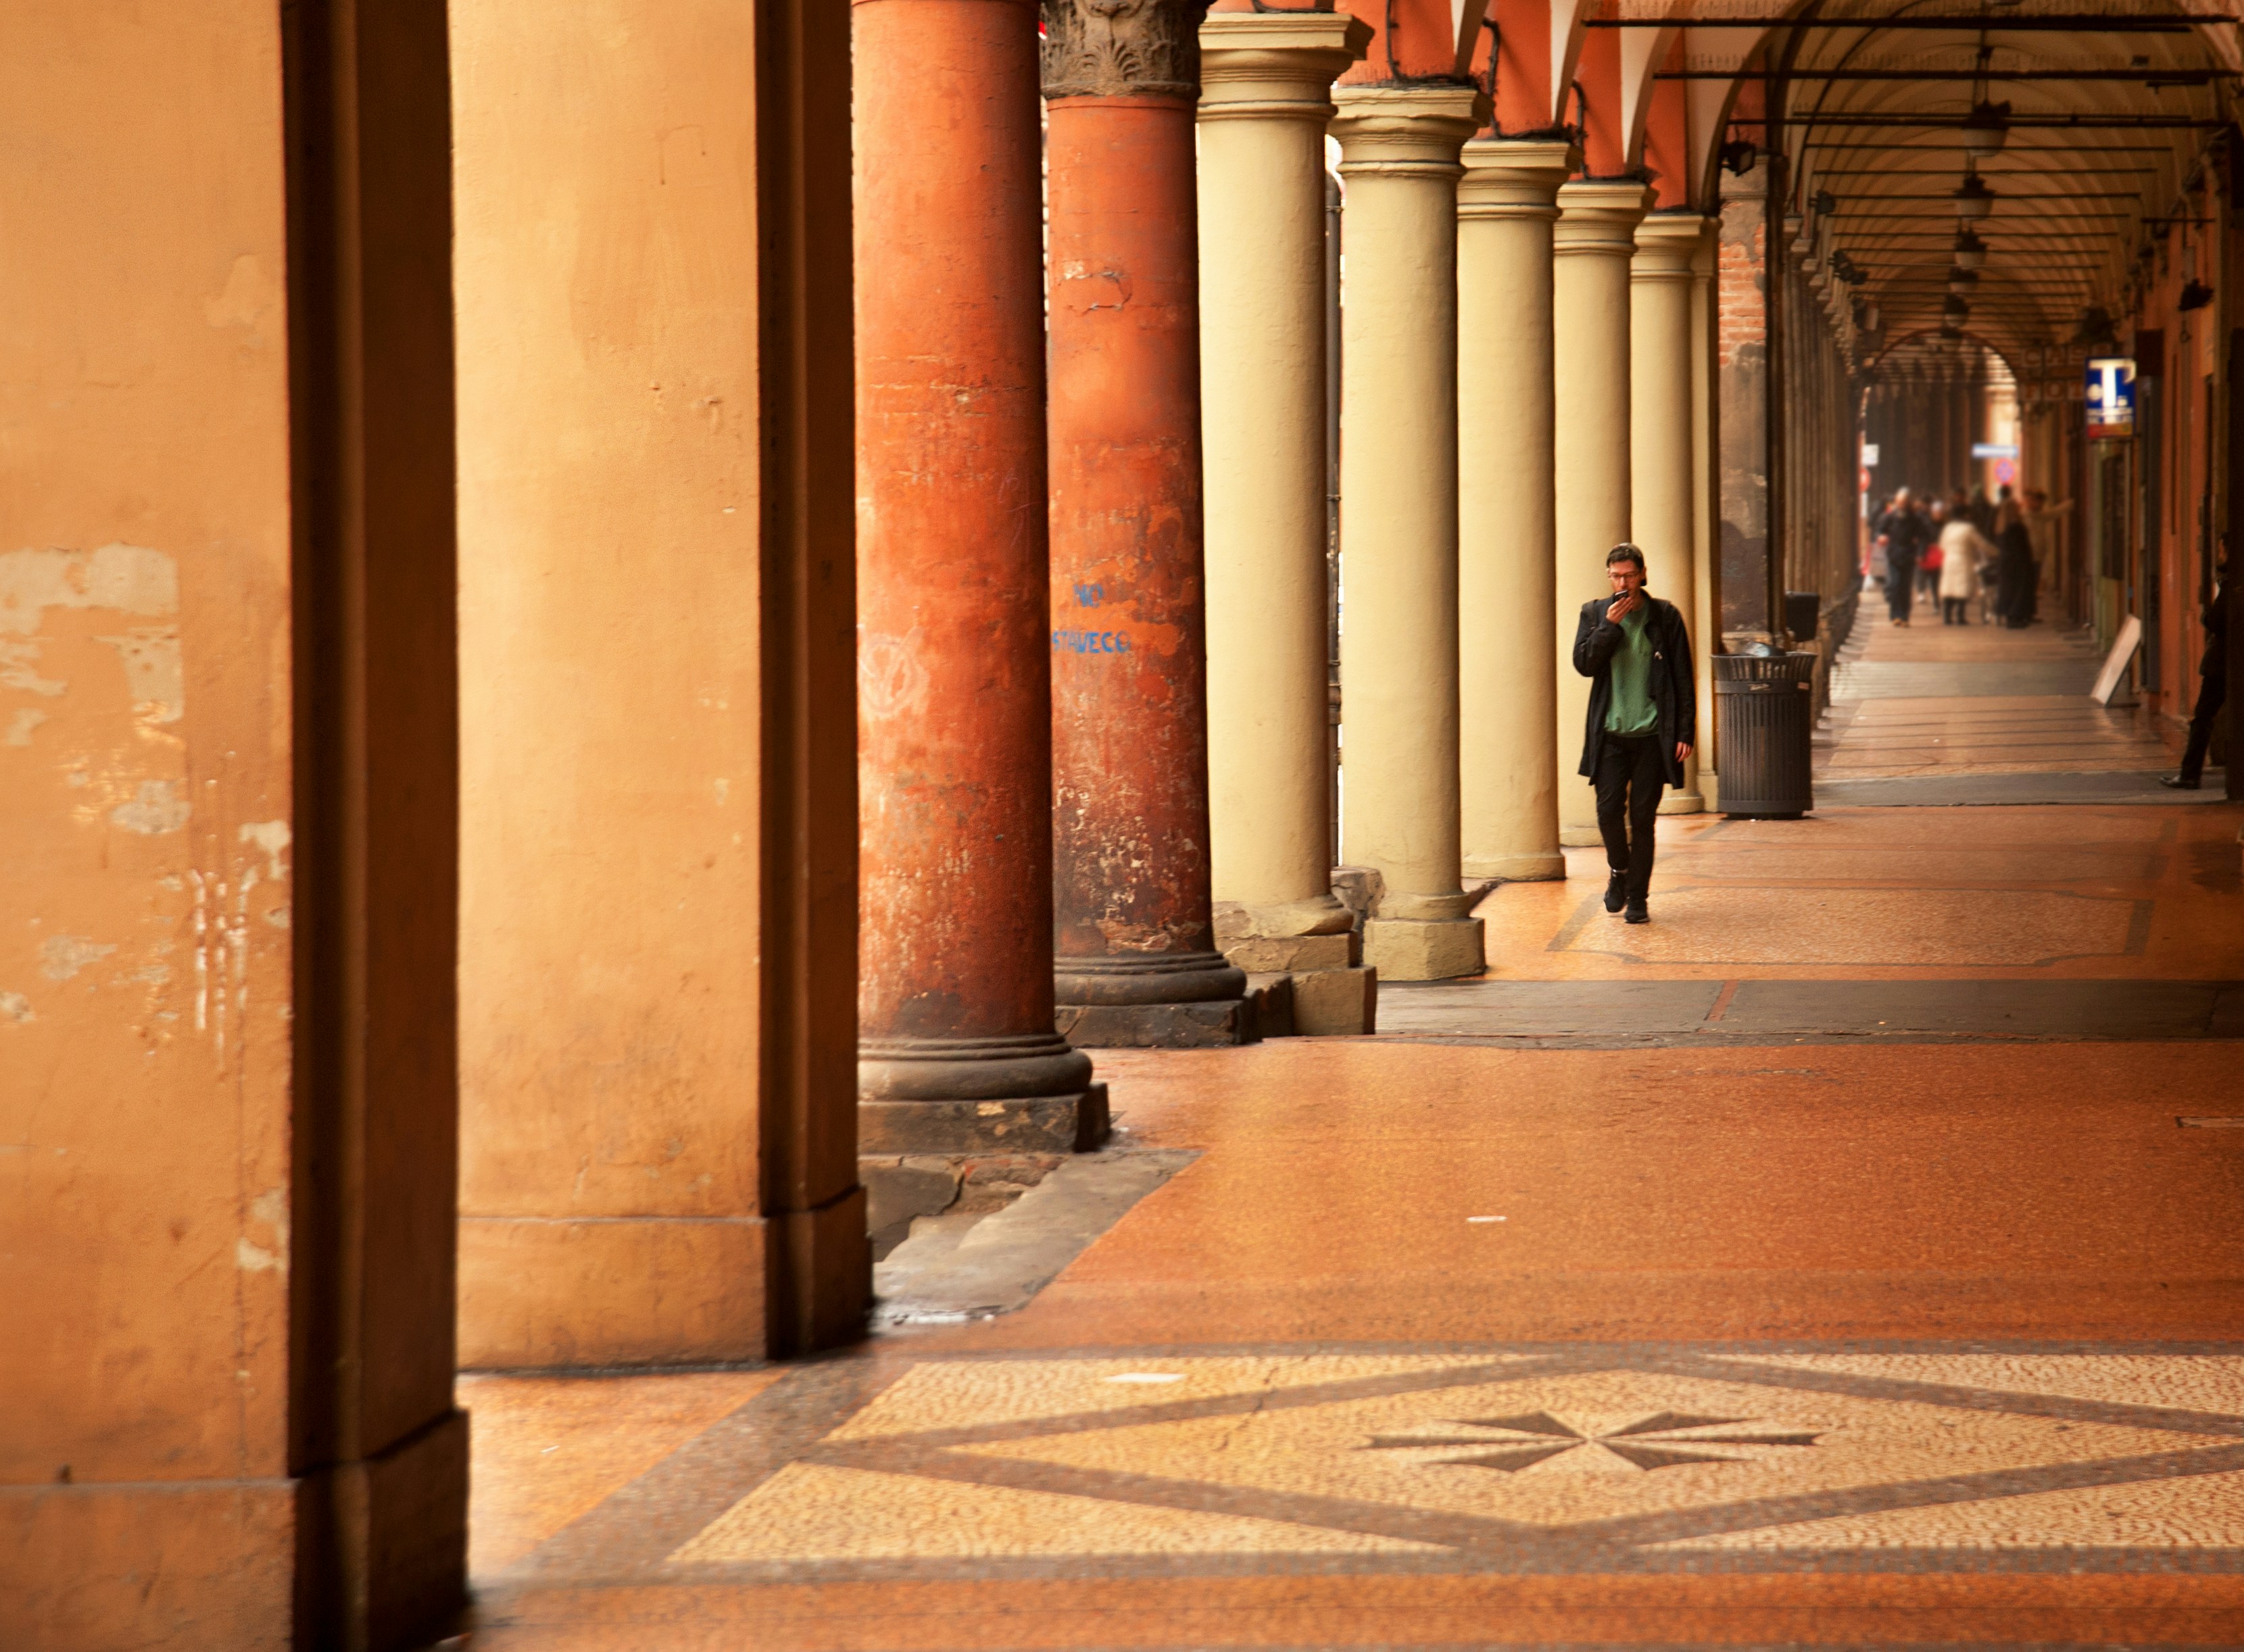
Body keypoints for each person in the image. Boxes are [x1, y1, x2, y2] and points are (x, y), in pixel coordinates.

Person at [1572, 543, 1696, 925]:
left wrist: (1685, 731)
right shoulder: (1595, 613)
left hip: (1652, 736)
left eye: (1628, 575)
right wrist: (1608, 627)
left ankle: (1638, 898)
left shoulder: (1665, 616)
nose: (1622, 582)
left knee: (1643, 818)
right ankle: (1619, 872)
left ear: (1643, 574)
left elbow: (1683, 677)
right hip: (1609, 734)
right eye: (1615, 576)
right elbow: (1584, 665)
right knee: (1608, 811)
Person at [2162, 565, 2231, 790]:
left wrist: (2206, 615)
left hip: (2222, 665)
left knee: (2202, 717)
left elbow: (2217, 620)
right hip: (2229, 662)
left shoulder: (2233, 584)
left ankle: (2190, 774)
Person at [1875, 489, 1929, 625]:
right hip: (1894, 554)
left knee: (1905, 587)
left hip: (1909, 555)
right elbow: (1880, 530)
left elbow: (1923, 537)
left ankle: (1904, 616)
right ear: (1896, 502)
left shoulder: (1915, 519)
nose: (1902, 505)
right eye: (1899, 502)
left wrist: (1920, 554)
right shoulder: (1890, 517)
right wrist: (1881, 536)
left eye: (1904, 502)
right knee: (1894, 585)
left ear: (1908, 503)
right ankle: (1895, 616)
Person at [1936, 508, 1993, 625]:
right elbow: (1981, 543)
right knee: (1961, 588)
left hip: (1949, 560)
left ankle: (1947, 617)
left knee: (1949, 589)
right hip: (1964, 560)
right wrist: (1996, 552)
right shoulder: (1969, 529)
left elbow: (1941, 545)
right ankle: (1960, 617)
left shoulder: (1948, 528)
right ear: (1965, 516)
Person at [1994, 500, 2038, 627]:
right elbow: (2022, 547)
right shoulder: (2017, 527)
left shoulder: (2001, 527)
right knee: (2020, 590)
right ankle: (2016, 616)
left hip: (2005, 563)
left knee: (2009, 590)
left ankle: (2010, 615)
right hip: (2019, 563)